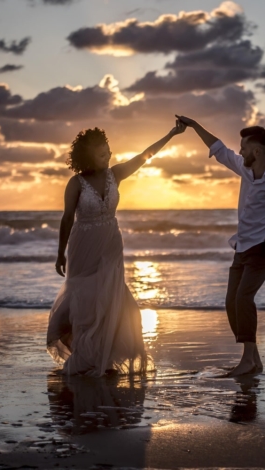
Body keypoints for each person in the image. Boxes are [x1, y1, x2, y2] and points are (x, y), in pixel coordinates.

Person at [47, 121, 186, 376]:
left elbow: (145, 156)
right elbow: (67, 219)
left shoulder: (116, 174)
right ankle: (85, 354)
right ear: (88, 157)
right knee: (85, 302)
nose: (108, 156)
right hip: (83, 245)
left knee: (110, 298)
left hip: (110, 243)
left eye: (109, 151)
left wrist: (171, 134)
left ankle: (106, 355)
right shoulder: (75, 184)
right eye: (102, 154)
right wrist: (60, 253)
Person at [175, 115, 265, 377]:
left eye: (244, 147)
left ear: (256, 151)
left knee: (243, 299)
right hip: (242, 247)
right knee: (231, 303)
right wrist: (194, 125)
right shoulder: (244, 168)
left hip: (262, 250)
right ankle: (254, 360)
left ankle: (247, 360)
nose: (240, 151)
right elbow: (219, 148)